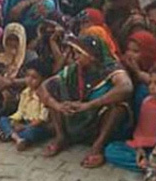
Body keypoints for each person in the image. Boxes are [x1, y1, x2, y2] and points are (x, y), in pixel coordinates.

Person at [39, 35, 134, 168]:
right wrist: (58, 106)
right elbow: (43, 87)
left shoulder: (111, 67)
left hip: (97, 119)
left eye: (79, 53)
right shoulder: (74, 69)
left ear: (92, 55)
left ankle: (98, 146)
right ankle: (61, 137)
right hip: (76, 115)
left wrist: (89, 105)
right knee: (55, 89)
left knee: (120, 107)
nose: (75, 57)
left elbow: (126, 87)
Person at [104, 62, 156, 172]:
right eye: (150, 83)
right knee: (111, 149)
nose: (151, 87)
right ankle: (149, 166)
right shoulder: (147, 102)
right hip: (145, 148)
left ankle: (155, 166)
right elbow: (141, 132)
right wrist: (140, 148)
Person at [0, 58, 52, 151]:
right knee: (3, 120)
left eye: (34, 78)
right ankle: (18, 138)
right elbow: (20, 112)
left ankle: (11, 135)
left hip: (38, 126)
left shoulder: (44, 95)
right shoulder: (25, 93)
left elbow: (42, 119)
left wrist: (25, 127)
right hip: (25, 122)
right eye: (27, 76)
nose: (29, 80)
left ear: (43, 79)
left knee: (32, 133)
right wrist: (13, 121)